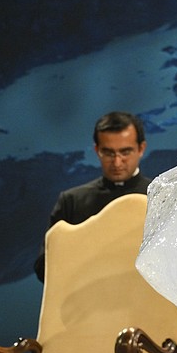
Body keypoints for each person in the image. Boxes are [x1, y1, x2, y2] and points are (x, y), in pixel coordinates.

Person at [33, 111, 150, 282]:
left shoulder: (162, 198)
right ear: (97, 150)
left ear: (141, 149)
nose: (117, 162)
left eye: (125, 152)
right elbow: (44, 268)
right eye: (108, 153)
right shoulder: (71, 201)